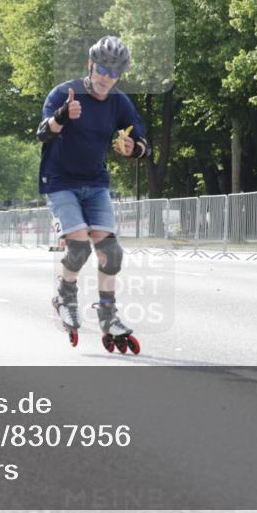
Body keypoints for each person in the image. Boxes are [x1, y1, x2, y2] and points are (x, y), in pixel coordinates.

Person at [36, 36, 151, 354]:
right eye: (101, 70)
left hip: (96, 183)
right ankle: (65, 296)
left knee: (110, 253)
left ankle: (107, 313)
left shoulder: (118, 102)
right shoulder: (64, 93)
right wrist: (62, 116)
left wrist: (134, 148)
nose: (106, 78)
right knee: (78, 246)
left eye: (113, 74)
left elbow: (143, 142)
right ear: (91, 65)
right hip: (60, 181)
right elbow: (42, 133)